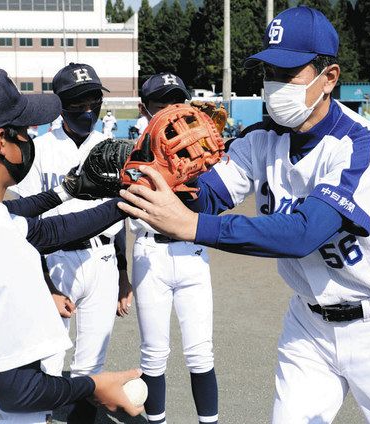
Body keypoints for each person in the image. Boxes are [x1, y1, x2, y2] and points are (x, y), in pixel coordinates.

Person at [118, 7, 370, 424]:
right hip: (309, 325)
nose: (275, 85)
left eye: (289, 73)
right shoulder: (259, 141)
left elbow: (304, 233)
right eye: (270, 71)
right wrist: (148, 178)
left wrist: (189, 226)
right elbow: (204, 197)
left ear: (330, 78)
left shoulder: (362, 146)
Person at [0, 67, 142, 423]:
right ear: (1, 142)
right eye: (22, 131)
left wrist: (92, 195)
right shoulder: (2, 246)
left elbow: (43, 227)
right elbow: (18, 390)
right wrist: (93, 386)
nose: (27, 139)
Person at [11, 62, 129, 423]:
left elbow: (122, 216)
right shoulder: (39, 149)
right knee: (46, 360)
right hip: (54, 261)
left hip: (103, 261)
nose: (88, 108)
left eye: (93, 98)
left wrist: (125, 274)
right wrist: (45, 285)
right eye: (77, 101)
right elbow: (23, 224)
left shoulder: (112, 148)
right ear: (60, 104)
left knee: (91, 366)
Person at [130, 73, 218, 424]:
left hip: (191, 253)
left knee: (201, 354)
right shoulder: (131, 150)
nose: (169, 111)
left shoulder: (198, 147)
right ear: (143, 108)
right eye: (160, 103)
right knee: (153, 355)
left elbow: (212, 202)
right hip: (149, 255)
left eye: (175, 101)